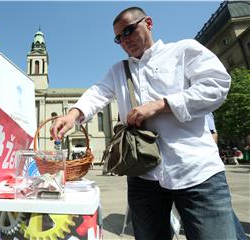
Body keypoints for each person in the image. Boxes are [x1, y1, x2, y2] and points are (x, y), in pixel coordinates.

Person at [50, 6, 246, 240]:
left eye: (129, 31)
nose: (124, 40)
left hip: (196, 171)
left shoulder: (184, 51)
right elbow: (98, 93)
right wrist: (72, 115)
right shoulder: (119, 70)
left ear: (149, 23)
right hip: (143, 176)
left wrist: (160, 105)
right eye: (118, 37)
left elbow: (217, 85)